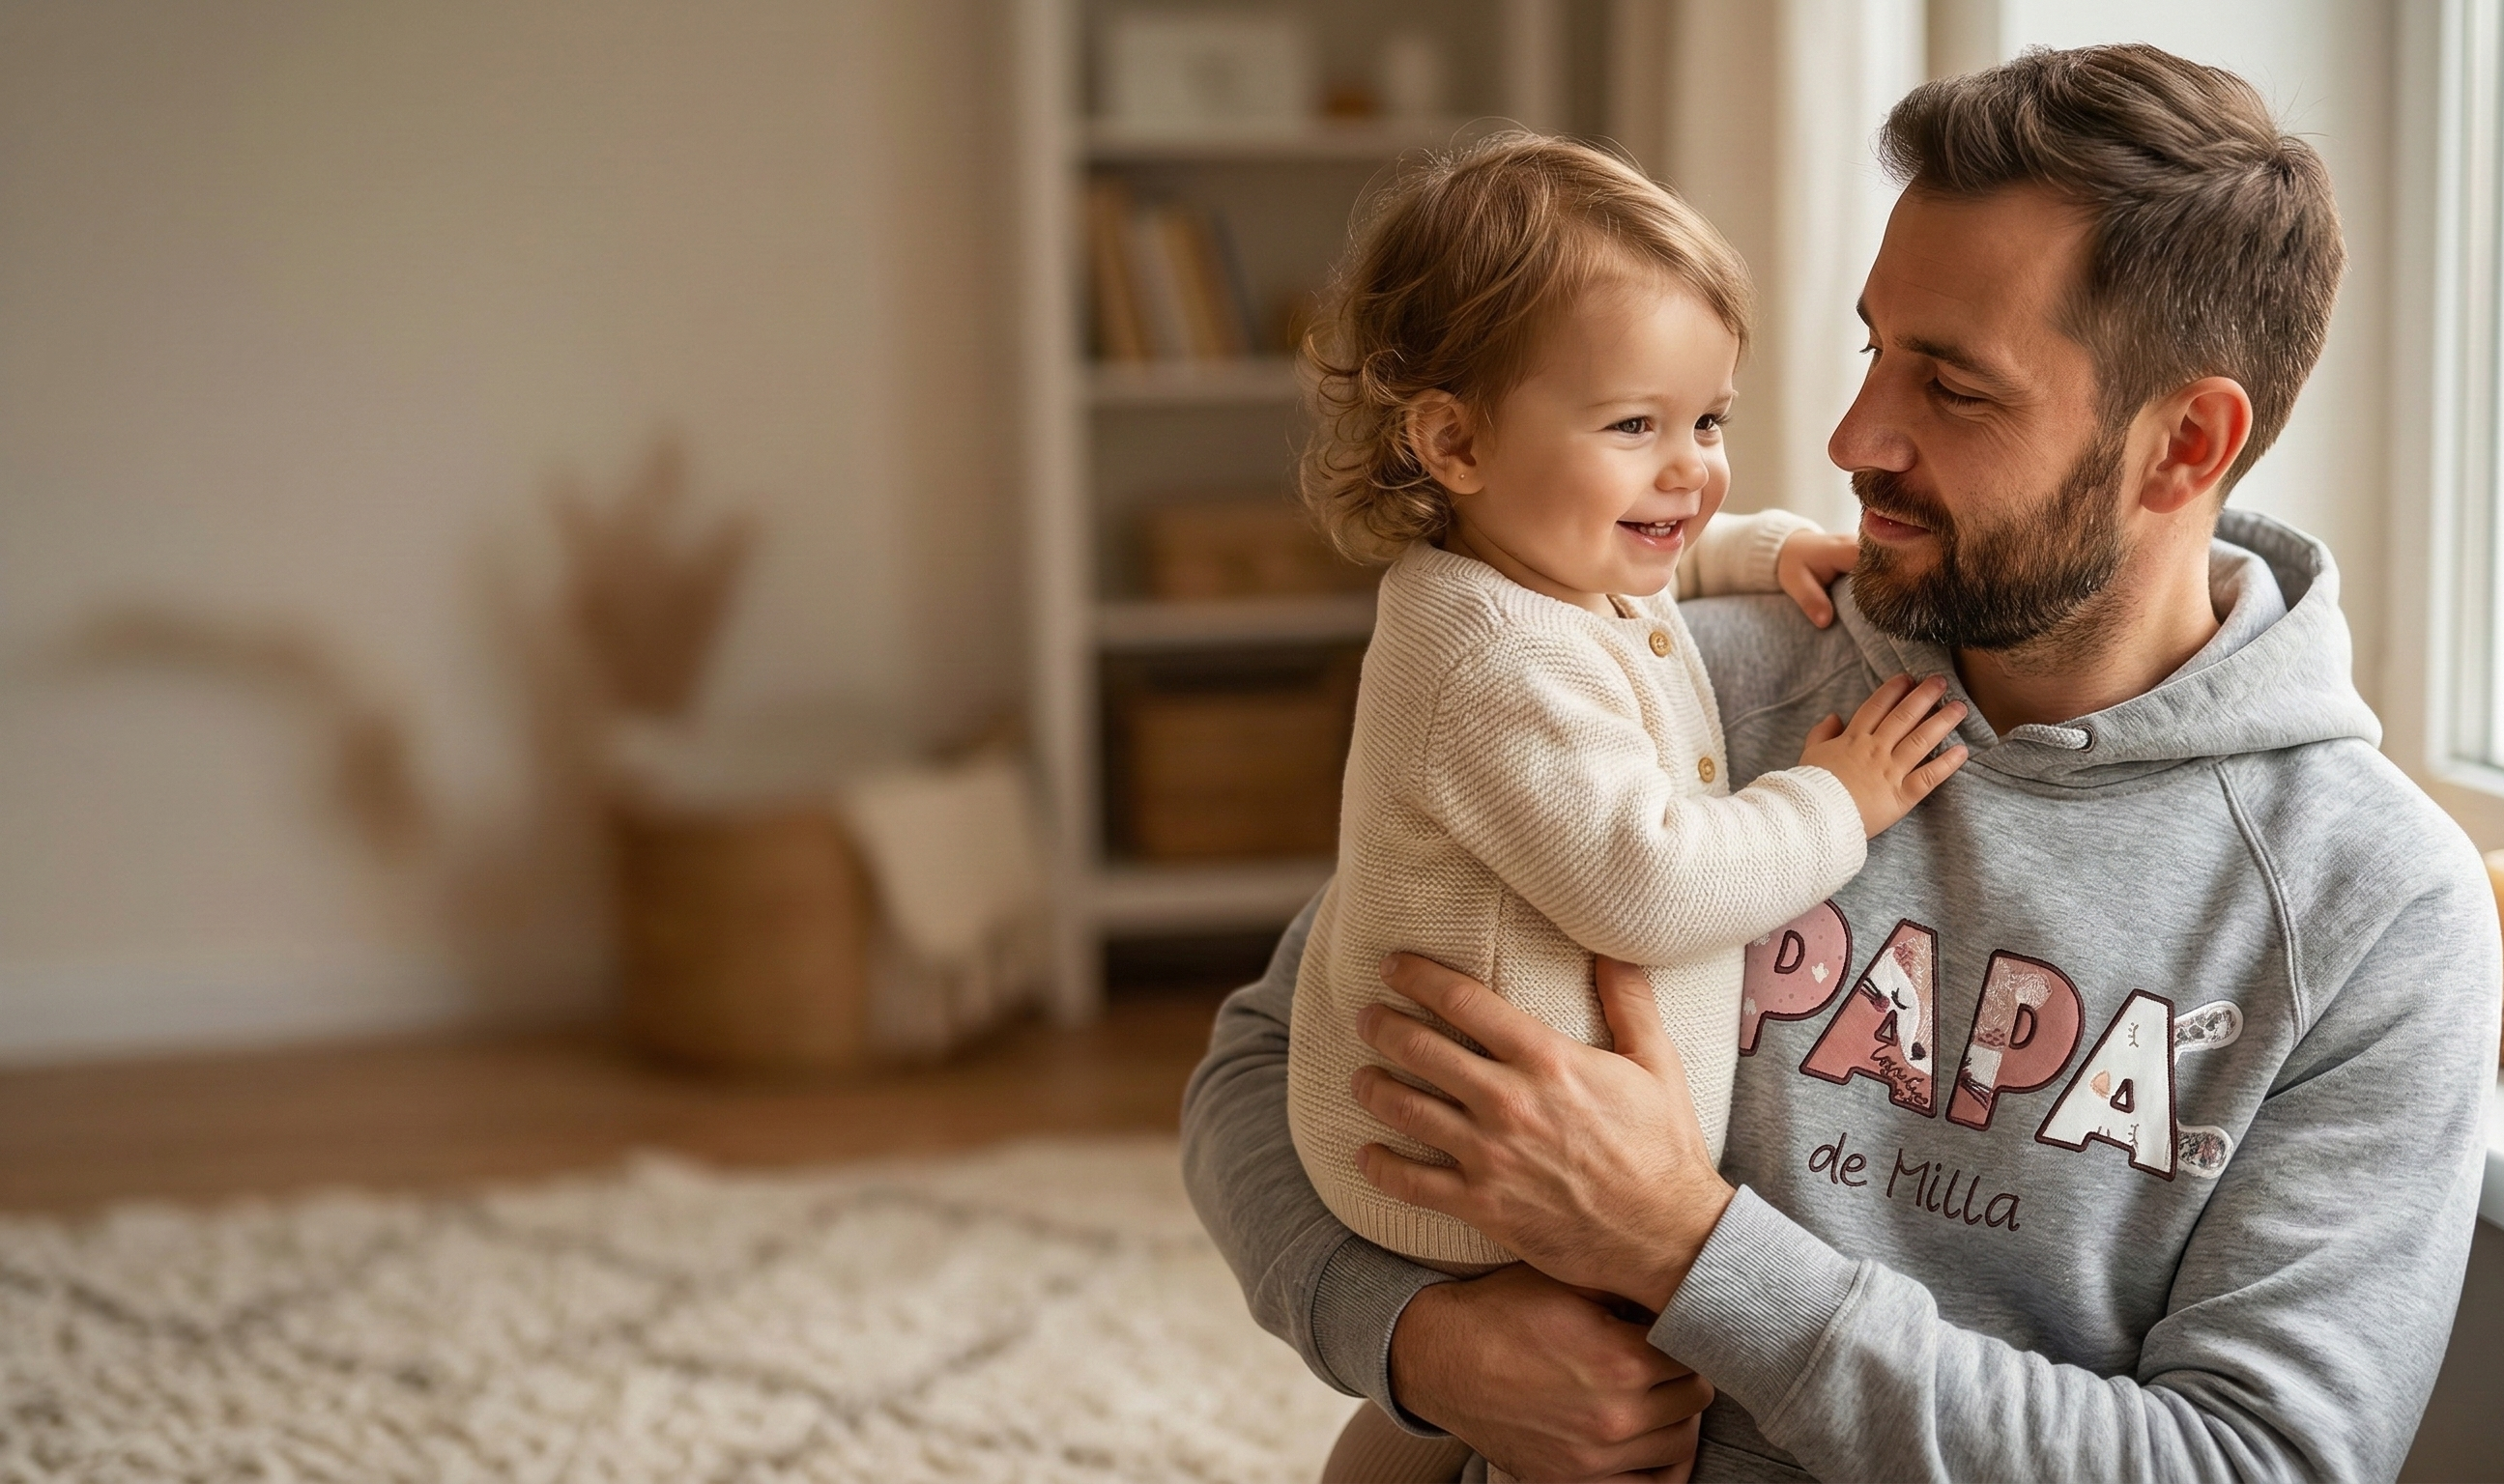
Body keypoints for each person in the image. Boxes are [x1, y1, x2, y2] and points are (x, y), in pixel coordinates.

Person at [1183, 43, 2502, 1483]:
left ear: (2181, 443)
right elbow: (1265, 1060)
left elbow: (2256, 1465)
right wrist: (1418, 1343)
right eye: (1877, 347)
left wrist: (1687, 1249)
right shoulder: (1689, 666)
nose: (1849, 437)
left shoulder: (2371, 905)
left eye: (1952, 386)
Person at [1284, 132, 1966, 1287]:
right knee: (1506, 1430)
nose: (1691, 470)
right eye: (1632, 426)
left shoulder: (1525, 561)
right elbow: (1651, 886)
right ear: (1453, 441)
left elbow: (1638, 572)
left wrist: (1762, 545)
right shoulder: (1494, 660)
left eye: (1706, 423)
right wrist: (1833, 801)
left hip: (1548, 1159)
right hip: (1477, 1183)